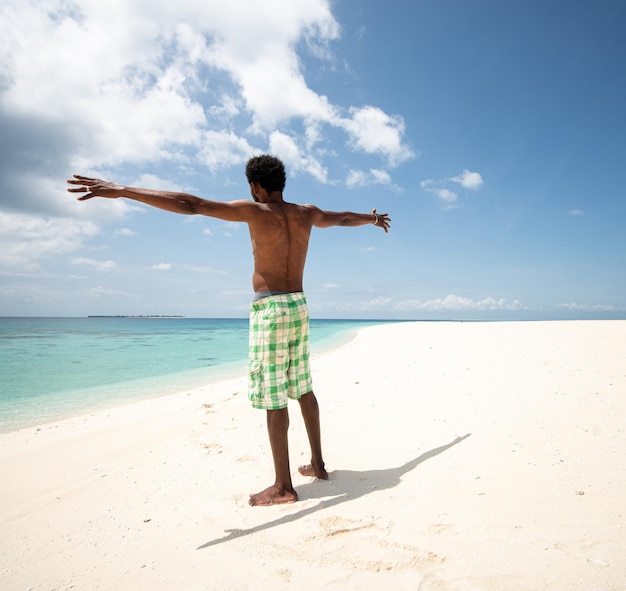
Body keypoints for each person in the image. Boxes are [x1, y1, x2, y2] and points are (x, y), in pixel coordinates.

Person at [67, 155, 391, 506]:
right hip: (299, 305)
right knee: (303, 387)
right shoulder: (306, 213)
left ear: (254, 186)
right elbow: (343, 218)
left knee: (273, 395)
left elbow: (192, 205)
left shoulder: (256, 212)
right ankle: (318, 464)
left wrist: (125, 190)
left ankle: (283, 487)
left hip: (270, 309)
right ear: (281, 182)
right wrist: (372, 218)